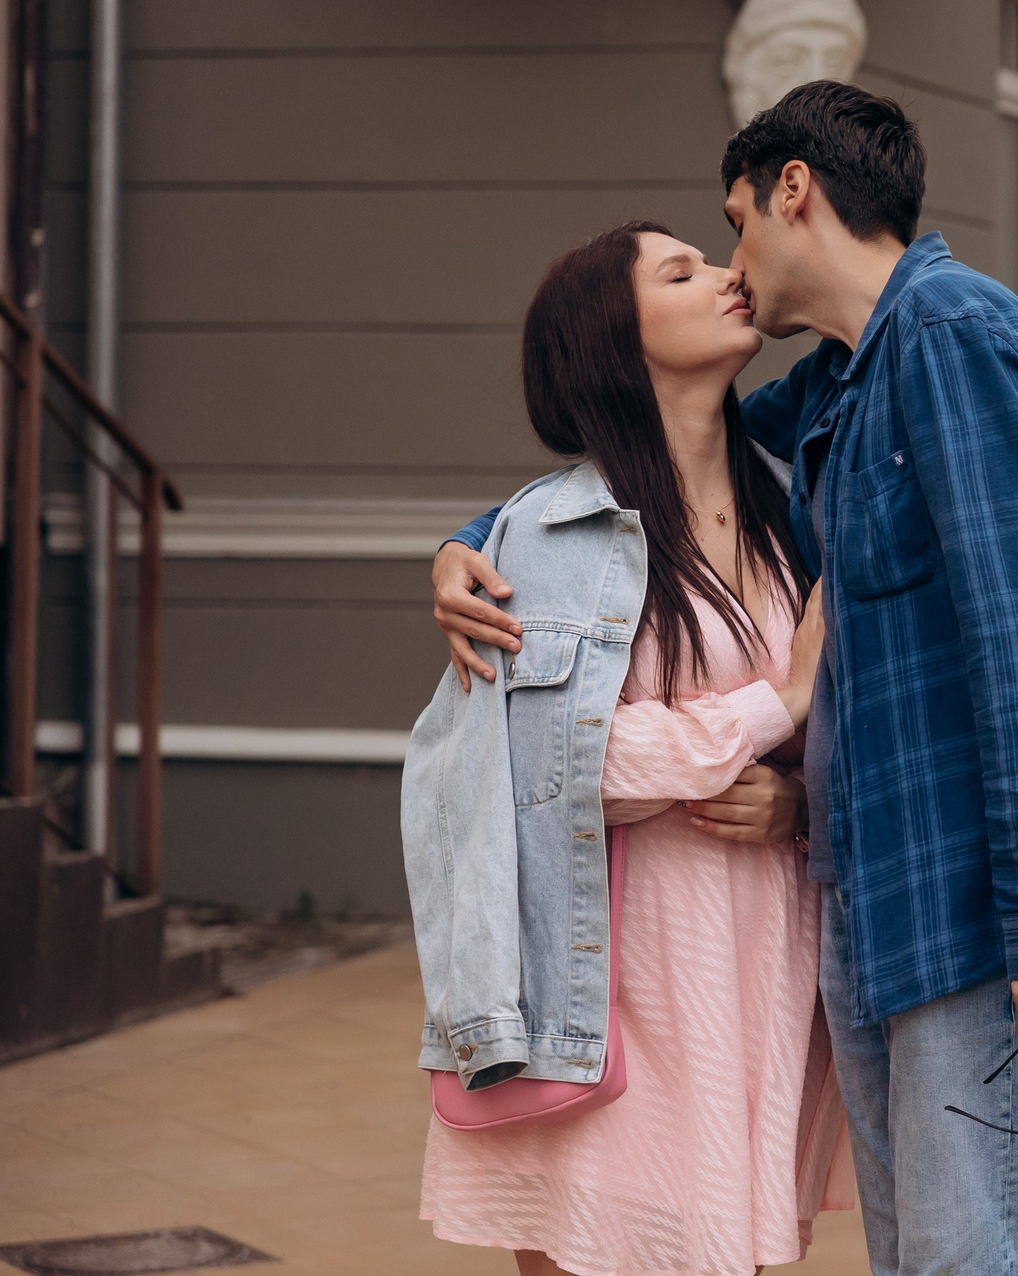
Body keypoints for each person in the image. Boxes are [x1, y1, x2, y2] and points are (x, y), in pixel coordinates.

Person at [435, 84, 1018, 1276]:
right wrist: (478, 538)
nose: (733, 267)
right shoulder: (841, 393)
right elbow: (631, 466)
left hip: (945, 902)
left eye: (731, 229)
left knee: (956, 1252)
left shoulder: (946, 338)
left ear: (792, 190)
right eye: (692, 266)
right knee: (917, 1252)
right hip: (849, 911)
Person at [406, 223, 853, 1276]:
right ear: (617, 335)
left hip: (755, 963)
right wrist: (775, 705)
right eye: (681, 270)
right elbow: (561, 766)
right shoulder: (555, 534)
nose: (725, 274)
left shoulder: (790, 519)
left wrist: (794, 805)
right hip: (615, 979)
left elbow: (816, 736)